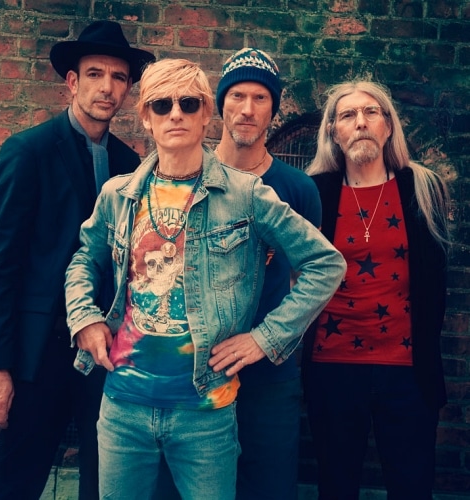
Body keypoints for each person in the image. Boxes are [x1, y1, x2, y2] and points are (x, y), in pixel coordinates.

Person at [64, 57, 346, 500]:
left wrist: (265, 338)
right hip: (123, 406)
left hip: (205, 410)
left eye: (189, 103)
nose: (175, 114)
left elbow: (325, 264)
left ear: (205, 114)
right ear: (146, 118)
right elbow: (85, 257)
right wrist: (84, 316)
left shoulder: (245, 194)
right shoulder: (118, 194)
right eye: (162, 105)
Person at [0, 20, 154, 500]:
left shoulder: (130, 166)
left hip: (106, 354)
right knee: (15, 482)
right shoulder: (28, 151)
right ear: (72, 81)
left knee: (104, 482)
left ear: (127, 89)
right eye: (95, 74)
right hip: (39, 353)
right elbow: (1, 264)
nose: (107, 86)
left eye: (118, 77)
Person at [303, 80, 450, 500]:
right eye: (347, 115)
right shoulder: (314, 192)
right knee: (336, 485)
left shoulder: (422, 188)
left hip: (406, 370)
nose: (361, 122)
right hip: (332, 367)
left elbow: (437, 282)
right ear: (333, 132)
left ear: (388, 126)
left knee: (412, 486)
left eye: (371, 112)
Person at [213, 47, 322, 499]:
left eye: (260, 98)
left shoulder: (298, 189)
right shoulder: (188, 175)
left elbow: (308, 279)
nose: (247, 108)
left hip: (270, 376)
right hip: (198, 370)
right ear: (221, 104)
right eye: (237, 95)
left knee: (270, 488)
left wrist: (265, 338)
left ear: (274, 110)